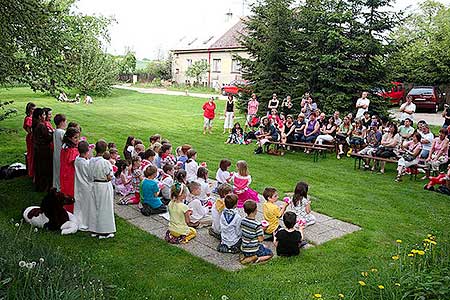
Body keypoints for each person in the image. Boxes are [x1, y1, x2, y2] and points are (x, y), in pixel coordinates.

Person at [89, 140, 116, 239]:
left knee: (94, 206)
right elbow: (109, 176)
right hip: (104, 185)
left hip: (94, 184)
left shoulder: (91, 160)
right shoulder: (105, 163)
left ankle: (94, 229)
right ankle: (104, 231)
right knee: (105, 207)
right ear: (105, 150)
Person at [240, 200, 273, 265]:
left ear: (244, 211)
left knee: (263, 246)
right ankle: (255, 258)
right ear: (256, 210)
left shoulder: (242, 221)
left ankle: (245, 255)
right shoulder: (257, 225)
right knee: (270, 254)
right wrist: (262, 229)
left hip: (244, 247)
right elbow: (260, 239)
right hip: (253, 249)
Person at [60, 127, 80, 213]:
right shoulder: (72, 150)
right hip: (70, 174)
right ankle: (70, 210)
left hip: (64, 173)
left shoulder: (65, 146)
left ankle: (65, 208)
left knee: (65, 191)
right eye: (75, 138)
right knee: (70, 192)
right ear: (69, 138)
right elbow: (75, 162)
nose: (77, 140)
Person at [32, 108, 53, 192]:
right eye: (43, 115)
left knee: (39, 168)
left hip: (38, 149)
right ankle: (44, 186)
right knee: (45, 168)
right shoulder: (41, 125)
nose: (45, 116)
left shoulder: (36, 124)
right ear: (39, 116)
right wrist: (52, 133)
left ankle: (40, 185)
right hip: (43, 149)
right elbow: (47, 137)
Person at [74, 141, 93, 231]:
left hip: (78, 184)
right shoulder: (86, 163)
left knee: (79, 203)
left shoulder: (77, 159)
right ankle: (85, 222)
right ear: (87, 151)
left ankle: (77, 219)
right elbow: (90, 175)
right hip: (86, 185)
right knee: (86, 204)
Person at [52, 114, 67, 191]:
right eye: (65, 122)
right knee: (60, 171)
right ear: (61, 122)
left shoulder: (55, 131)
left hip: (56, 154)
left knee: (57, 170)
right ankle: (60, 188)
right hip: (61, 154)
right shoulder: (61, 132)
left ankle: (56, 186)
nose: (66, 124)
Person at [23, 102, 36, 178]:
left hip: (32, 137)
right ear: (29, 110)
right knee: (31, 154)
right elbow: (28, 130)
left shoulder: (32, 117)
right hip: (31, 138)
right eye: (32, 109)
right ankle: (31, 172)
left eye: (34, 109)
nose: (34, 110)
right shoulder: (28, 118)